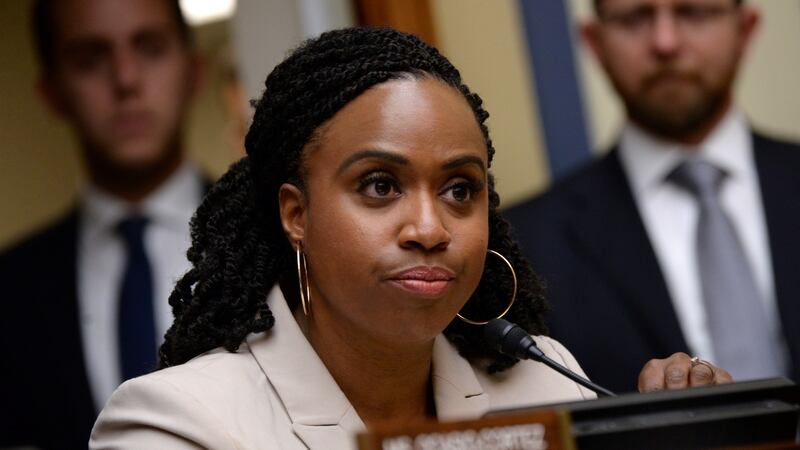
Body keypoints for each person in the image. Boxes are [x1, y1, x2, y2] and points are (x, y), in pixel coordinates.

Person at [89, 27, 731, 450]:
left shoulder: (547, 386)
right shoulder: (176, 425)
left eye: (460, 190)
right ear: (296, 214)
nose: (430, 229)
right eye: (378, 186)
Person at [504, 0, 800, 394]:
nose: (665, 42)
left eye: (694, 12)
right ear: (594, 43)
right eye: (635, 18)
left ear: (744, 30)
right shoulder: (523, 245)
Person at [0, 0, 205, 448]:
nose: (126, 79)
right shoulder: (8, 290)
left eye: (149, 48)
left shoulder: (288, 247)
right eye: (90, 59)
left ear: (194, 70)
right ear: (51, 92)